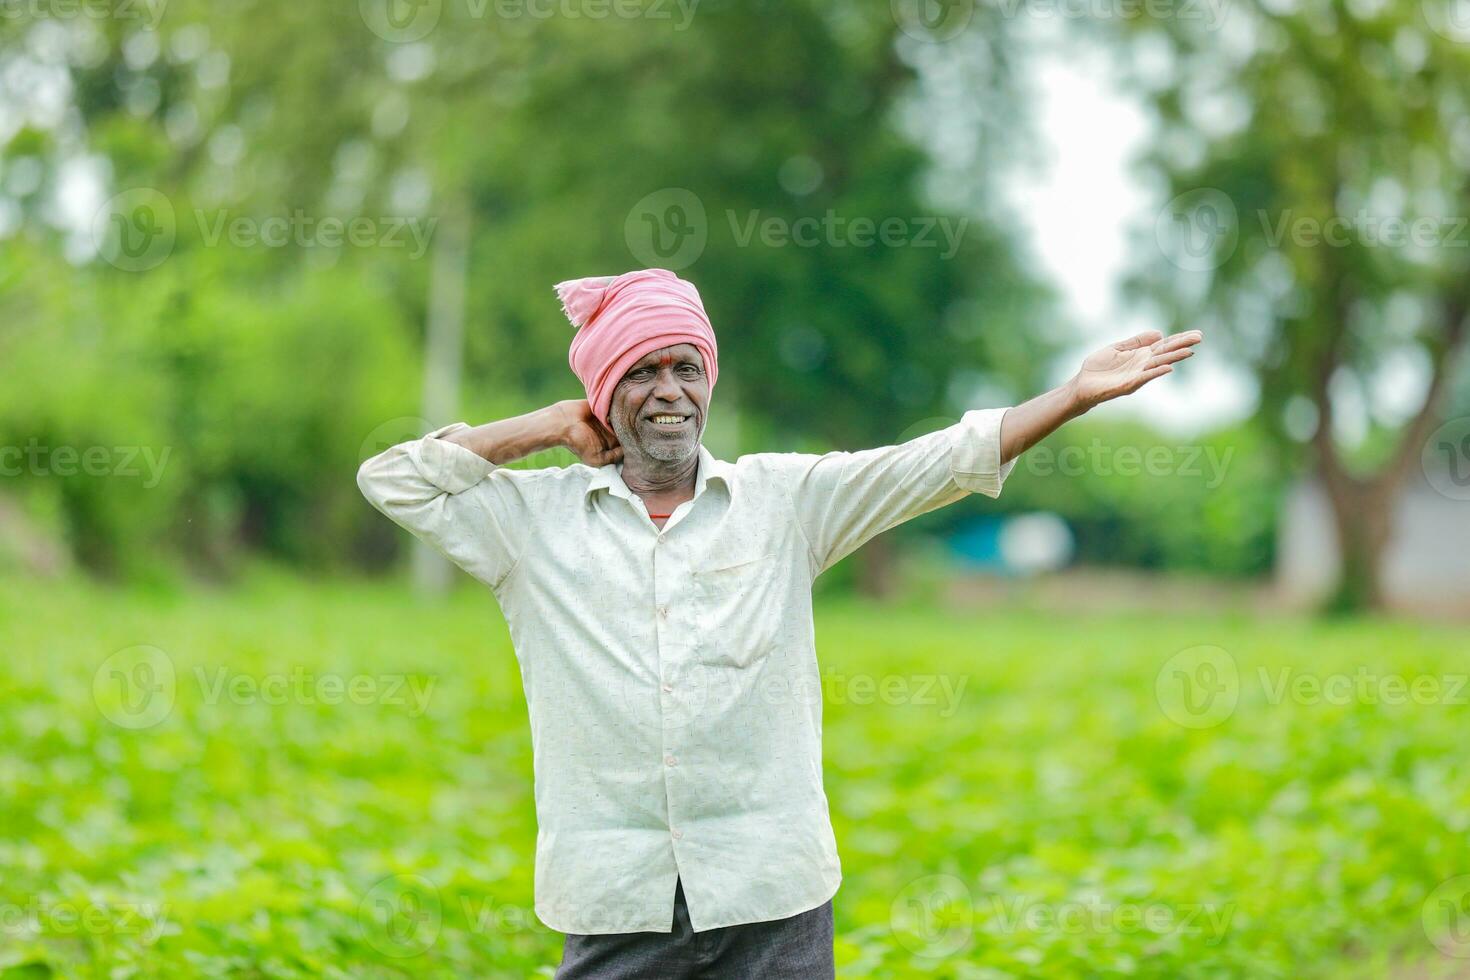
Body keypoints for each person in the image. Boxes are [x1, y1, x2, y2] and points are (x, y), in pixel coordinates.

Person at [356, 267, 1202, 978]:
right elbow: (393, 478)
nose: (669, 392)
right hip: (616, 896)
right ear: (603, 394)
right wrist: (543, 425)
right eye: (642, 372)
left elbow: (933, 463)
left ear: (709, 383)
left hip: (773, 895)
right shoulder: (530, 524)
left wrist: (1071, 397)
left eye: (686, 368)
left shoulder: (783, 501)